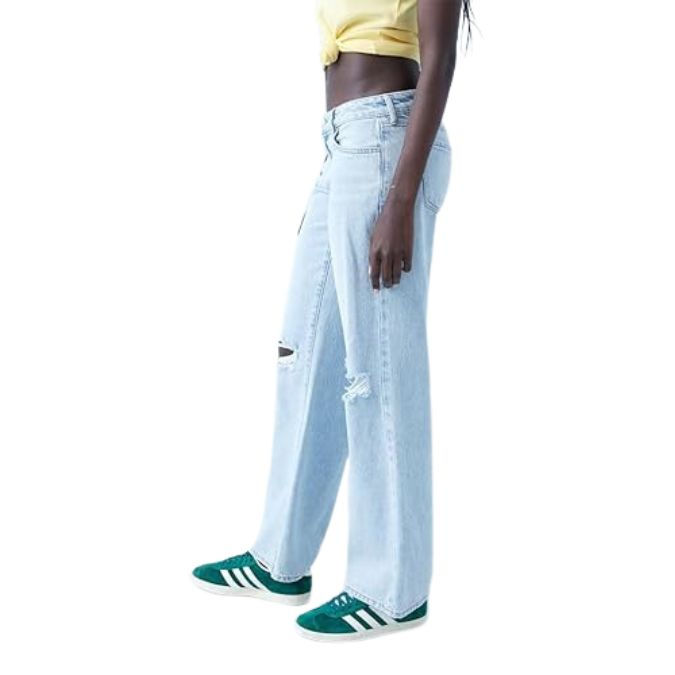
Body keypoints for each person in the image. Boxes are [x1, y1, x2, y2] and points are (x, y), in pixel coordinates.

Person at [193, 0, 471, 641]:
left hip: (388, 145)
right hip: (346, 146)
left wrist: (400, 200)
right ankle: (279, 560)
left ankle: (393, 590)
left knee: (380, 374)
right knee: (306, 353)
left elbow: (440, 60)